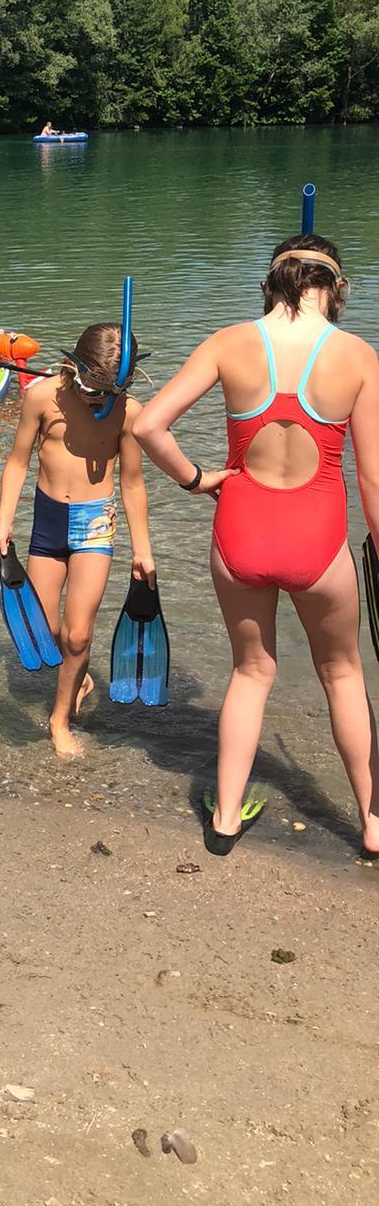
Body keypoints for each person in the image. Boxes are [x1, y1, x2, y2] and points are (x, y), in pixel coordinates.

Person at [134, 234, 379, 859]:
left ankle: (223, 818)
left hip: (240, 529)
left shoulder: (229, 342)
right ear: (337, 289)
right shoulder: (358, 356)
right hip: (317, 537)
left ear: (269, 285)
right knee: (343, 673)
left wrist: (194, 479)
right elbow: (372, 480)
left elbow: (147, 425)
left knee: (251, 671)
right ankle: (373, 823)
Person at [0, 322, 155, 758]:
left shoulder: (128, 412)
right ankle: (79, 677)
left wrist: (142, 550)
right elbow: (17, 461)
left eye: (108, 393)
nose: (97, 400)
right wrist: (5, 519)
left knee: (78, 636)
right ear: (73, 365)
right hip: (48, 520)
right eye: (90, 389)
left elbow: (132, 482)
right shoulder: (42, 397)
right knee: (45, 632)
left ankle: (59, 720)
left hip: (95, 523)